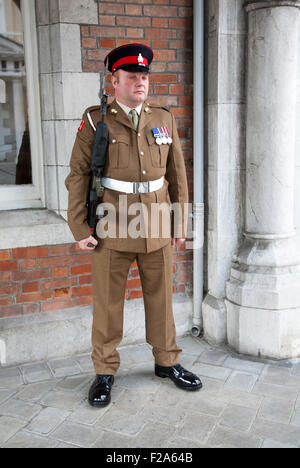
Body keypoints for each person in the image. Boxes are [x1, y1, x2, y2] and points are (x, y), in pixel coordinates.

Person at [65, 43, 202, 407]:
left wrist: (179, 221)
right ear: (115, 80)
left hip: (156, 219)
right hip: (111, 222)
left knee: (162, 300)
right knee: (108, 304)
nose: (141, 82)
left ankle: (167, 362)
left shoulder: (163, 119)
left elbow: (177, 175)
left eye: (144, 76)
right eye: (132, 77)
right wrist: (80, 228)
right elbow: (78, 175)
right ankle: (105, 372)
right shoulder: (97, 120)